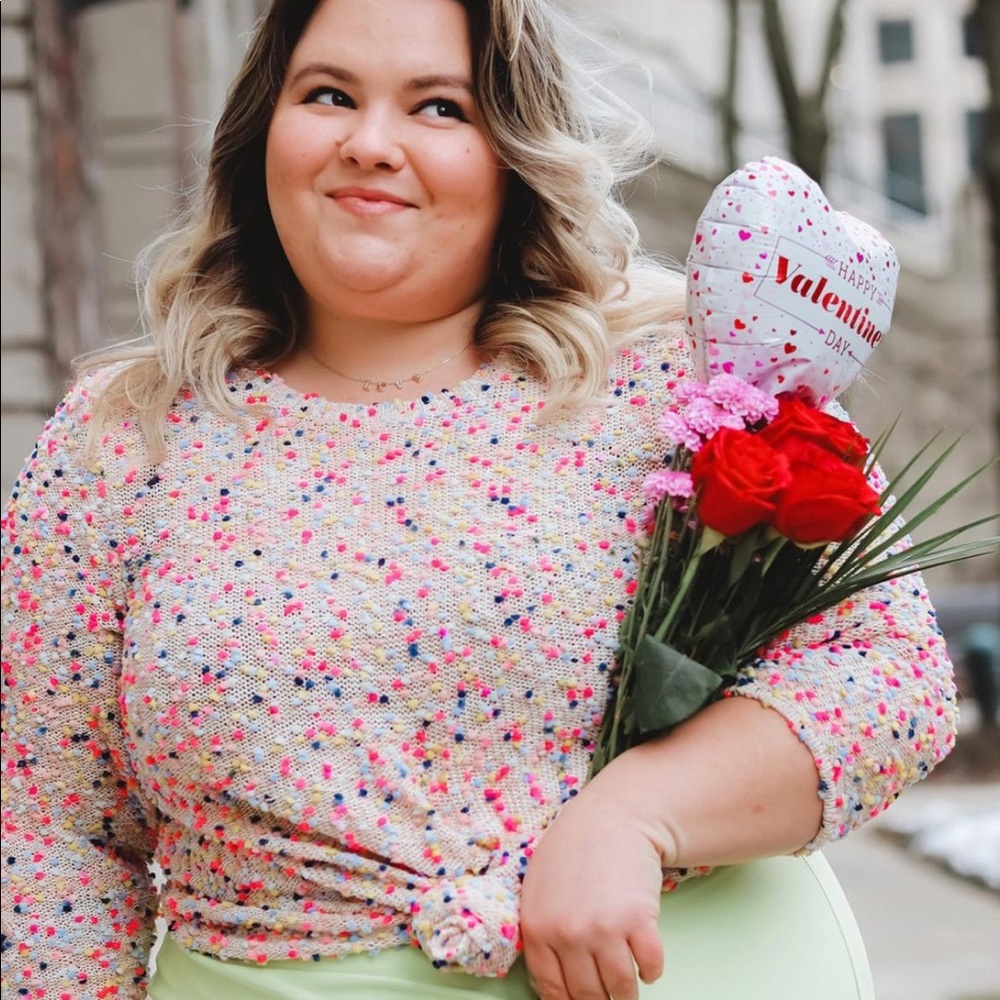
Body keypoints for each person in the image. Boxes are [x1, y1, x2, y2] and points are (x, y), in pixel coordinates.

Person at [0, 0, 959, 998]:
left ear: (513, 149)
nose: (370, 144)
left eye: (439, 108)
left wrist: (637, 813)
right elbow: (51, 833)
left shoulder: (679, 376)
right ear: (261, 133)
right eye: (328, 94)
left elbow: (887, 678)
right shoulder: (122, 439)